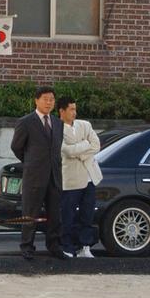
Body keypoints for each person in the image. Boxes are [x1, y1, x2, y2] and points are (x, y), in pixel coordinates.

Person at [11, 86, 63, 260]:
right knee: (30, 213)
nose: (49, 102)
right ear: (37, 100)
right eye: (46, 99)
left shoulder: (57, 123)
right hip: (34, 176)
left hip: (54, 176)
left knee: (55, 213)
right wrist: (31, 163)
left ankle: (54, 246)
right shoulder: (26, 122)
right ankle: (27, 246)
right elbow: (16, 147)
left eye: (52, 99)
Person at [58, 97, 101, 259]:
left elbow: (96, 145)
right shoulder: (57, 128)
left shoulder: (85, 125)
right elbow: (66, 151)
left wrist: (79, 151)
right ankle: (67, 247)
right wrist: (85, 145)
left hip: (89, 177)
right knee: (67, 215)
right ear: (62, 111)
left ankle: (85, 246)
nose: (74, 113)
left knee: (87, 214)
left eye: (75, 109)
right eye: (71, 109)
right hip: (71, 178)